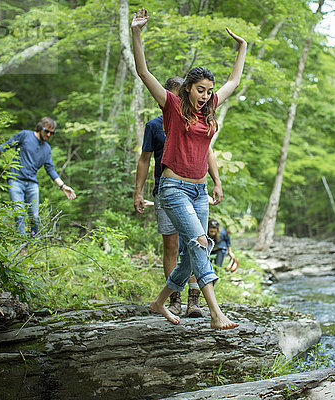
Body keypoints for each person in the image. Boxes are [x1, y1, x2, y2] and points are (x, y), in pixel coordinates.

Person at [131, 7, 247, 329]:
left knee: (189, 254)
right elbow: (144, 73)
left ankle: (158, 303)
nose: (206, 96)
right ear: (187, 89)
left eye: (210, 91)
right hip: (173, 188)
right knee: (200, 242)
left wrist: (243, 48)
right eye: (200, 90)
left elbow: (234, 81)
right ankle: (215, 312)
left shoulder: (208, 110)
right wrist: (137, 33)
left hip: (199, 190)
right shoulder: (171, 105)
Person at [134, 76, 223, 318]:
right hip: (169, 190)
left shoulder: (197, 119)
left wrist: (217, 180)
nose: (179, 102)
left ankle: (193, 300)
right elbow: (144, 160)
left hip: (195, 190)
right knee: (173, 246)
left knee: (194, 245)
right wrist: (138, 191)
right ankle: (174, 300)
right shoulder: (155, 126)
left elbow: (207, 151)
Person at [0, 117, 76, 236]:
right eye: (46, 131)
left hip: (32, 184)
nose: (48, 134)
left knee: (34, 217)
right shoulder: (25, 135)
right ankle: (21, 248)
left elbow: (50, 169)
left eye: (52, 133)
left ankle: (32, 244)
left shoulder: (47, 149)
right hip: (15, 180)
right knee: (19, 214)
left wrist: (63, 186)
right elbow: (6, 145)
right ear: (40, 127)